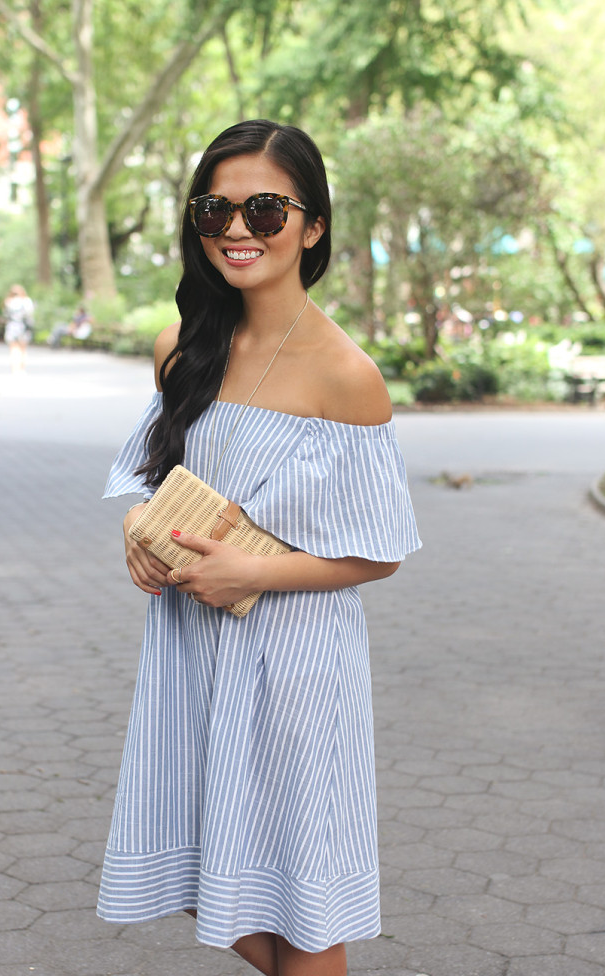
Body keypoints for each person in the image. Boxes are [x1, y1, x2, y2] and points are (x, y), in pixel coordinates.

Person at [97, 119, 421, 976]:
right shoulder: (182, 348)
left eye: (265, 210)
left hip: (296, 662)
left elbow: (378, 551)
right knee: (210, 878)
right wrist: (136, 528)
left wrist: (252, 570)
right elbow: (147, 478)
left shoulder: (346, 374)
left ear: (311, 226)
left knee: (305, 913)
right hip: (190, 652)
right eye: (216, 211)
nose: (237, 230)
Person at [2, 284, 34, 373]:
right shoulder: (26, 301)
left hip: (12, 326)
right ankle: (21, 369)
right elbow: (30, 314)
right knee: (23, 349)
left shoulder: (8, 302)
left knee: (13, 349)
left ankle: (15, 369)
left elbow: (5, 315)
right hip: (23, 327)